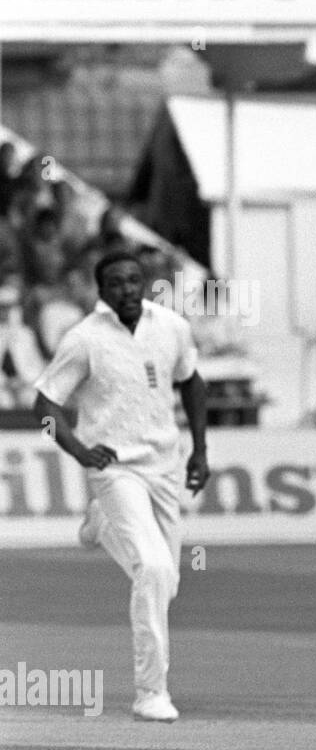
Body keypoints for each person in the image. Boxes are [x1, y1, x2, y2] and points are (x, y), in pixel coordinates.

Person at [32, 250, 210, 722]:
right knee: (151, 569)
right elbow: (44, 405)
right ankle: (151, 693)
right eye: (117, 283)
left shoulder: (171, 326)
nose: (128, 289)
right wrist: (78, 451)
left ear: (145, 283)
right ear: (102, 291)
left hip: (164, 466)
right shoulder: (85, 339)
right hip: (113, 468)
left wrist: (201, 450)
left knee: (164, 584)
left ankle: (100, 525)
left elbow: (192, 382)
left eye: (135, 280)